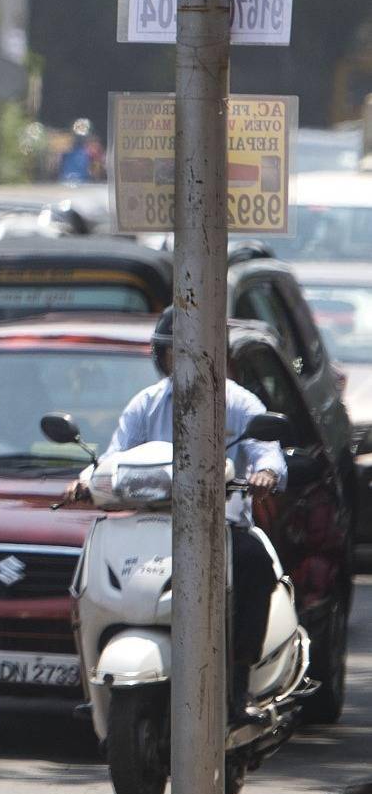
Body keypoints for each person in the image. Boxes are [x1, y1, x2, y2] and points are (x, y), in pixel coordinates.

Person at [63, 307, 284, 728]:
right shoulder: (146, 404)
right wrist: (84, 481)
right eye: (173, 352)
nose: (182, 361)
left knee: (254, 565)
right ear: (160, 356)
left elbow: (265, 448)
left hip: (222, 527)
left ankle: (237, 683)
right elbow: (114, 457)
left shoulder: (238, 402)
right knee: (84, 572)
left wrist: (265, 472)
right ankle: (90, 681)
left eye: (193, 351)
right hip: (152, 526)